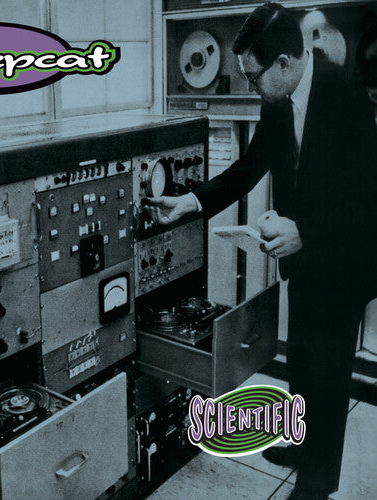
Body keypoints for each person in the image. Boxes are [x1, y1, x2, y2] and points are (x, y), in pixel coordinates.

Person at [146, 3, 377, 500]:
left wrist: (306, 232)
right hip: (305, 260)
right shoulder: (278, 99)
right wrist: (190, 202)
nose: (251, 86)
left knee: (329, 370)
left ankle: (317, 484)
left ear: (285, 63)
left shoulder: (349, 97)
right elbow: (248, 169)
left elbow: (366, 202)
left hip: (344, 261)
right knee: (302, 359)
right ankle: (302, 446)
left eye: (253, 77)